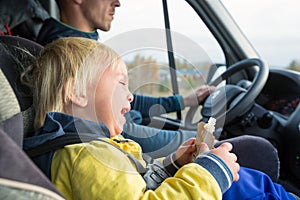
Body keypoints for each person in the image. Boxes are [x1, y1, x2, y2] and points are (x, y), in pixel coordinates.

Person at [23, 37, 298, 200]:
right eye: (121, 83)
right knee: (252, 185)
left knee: (251, 182)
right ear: (77, 93)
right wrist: (210, 172)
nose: (130, 96)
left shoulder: (95, 148)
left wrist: (172, 166)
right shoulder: (88, 156)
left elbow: (136, 187)